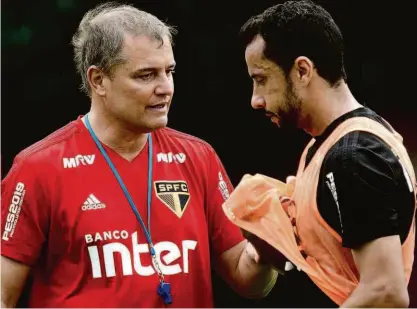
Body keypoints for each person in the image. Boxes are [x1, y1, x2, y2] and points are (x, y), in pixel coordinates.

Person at [0, 3, 278, 307]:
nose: (165, 88)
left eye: (169, 72)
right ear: (98, 80)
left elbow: (249, 280)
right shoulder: (39, 167)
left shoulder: (198, 157)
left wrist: (269, 247)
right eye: (146, 75)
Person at [225, 0, 416, 307]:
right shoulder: (328, 143)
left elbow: (386, 292)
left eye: (261, 79)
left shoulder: (353, 156)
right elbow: (335, 272)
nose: (255, 100)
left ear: (302, 70)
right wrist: (275, 242)